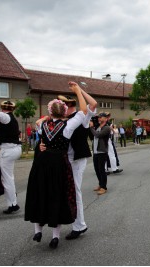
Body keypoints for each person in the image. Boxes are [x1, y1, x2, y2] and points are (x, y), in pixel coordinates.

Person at [24, 83, 87, 249]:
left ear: (50, 112)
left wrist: (46, 121)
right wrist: (78, 92)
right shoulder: (68, 126)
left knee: (40, 192)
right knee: (57, 195)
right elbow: (83, 111)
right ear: (65, 112)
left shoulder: (42, 125)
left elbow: (40, 127)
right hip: (59, 163)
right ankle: (55, 236)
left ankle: (38, 230)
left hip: (42, 163)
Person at [57, 83, 97, 240]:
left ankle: (80, 225)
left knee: (75, 191)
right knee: (69, 191)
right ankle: (71, 220)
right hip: (66, 159)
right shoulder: (64, 119)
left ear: (67, 106)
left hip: (77, 159)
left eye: (63, 106)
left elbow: (92, 104)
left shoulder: (82, 117)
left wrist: (79, 90)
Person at [0, 100, 22, 214]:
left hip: (8, 150)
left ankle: (13, 204)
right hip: (13, 149)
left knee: (7, 179)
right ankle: (12, 199)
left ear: (3, 108)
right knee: (8, 178)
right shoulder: (11, 118)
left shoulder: (6, 117)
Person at [90, 113, 112, 195]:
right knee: (97, 169)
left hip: (102, 151)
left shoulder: (107, 128)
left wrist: (91, 127)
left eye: (101, 117)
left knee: (102, 169)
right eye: (99, 117)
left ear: (106, 119)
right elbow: (93, 136)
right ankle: (100, 184)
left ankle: (104, 187)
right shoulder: (98, 127)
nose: (99, 118)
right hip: (96, 151)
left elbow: (98, 135)